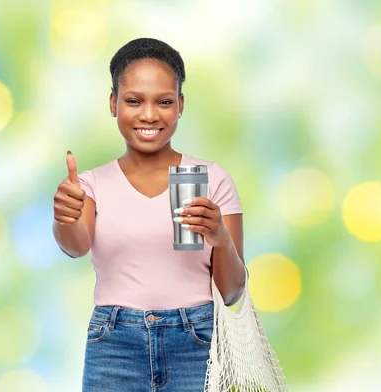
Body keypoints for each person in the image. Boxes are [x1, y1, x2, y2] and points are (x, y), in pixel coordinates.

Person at [52, 37, 247, 392]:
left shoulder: (212, 179)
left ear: (180, 105)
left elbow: (232, 291)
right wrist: (64, 217)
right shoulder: (91, 185)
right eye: (133, 101)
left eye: (164, 102)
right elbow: (76, 245)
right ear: (113, 103)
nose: (149, 114)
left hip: (198, 342)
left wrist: (220, 237)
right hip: (115, 345)